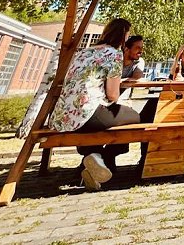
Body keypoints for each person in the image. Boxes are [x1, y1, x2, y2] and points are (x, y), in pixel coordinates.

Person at [50, 18, 140, 191]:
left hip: (63, 117)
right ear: (122, 37)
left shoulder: (83, 52)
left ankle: (94, 157)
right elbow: (113, 95)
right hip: (87, 113)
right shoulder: (114, 54)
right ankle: (102, 158)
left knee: (105, 120)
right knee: (136, 117)